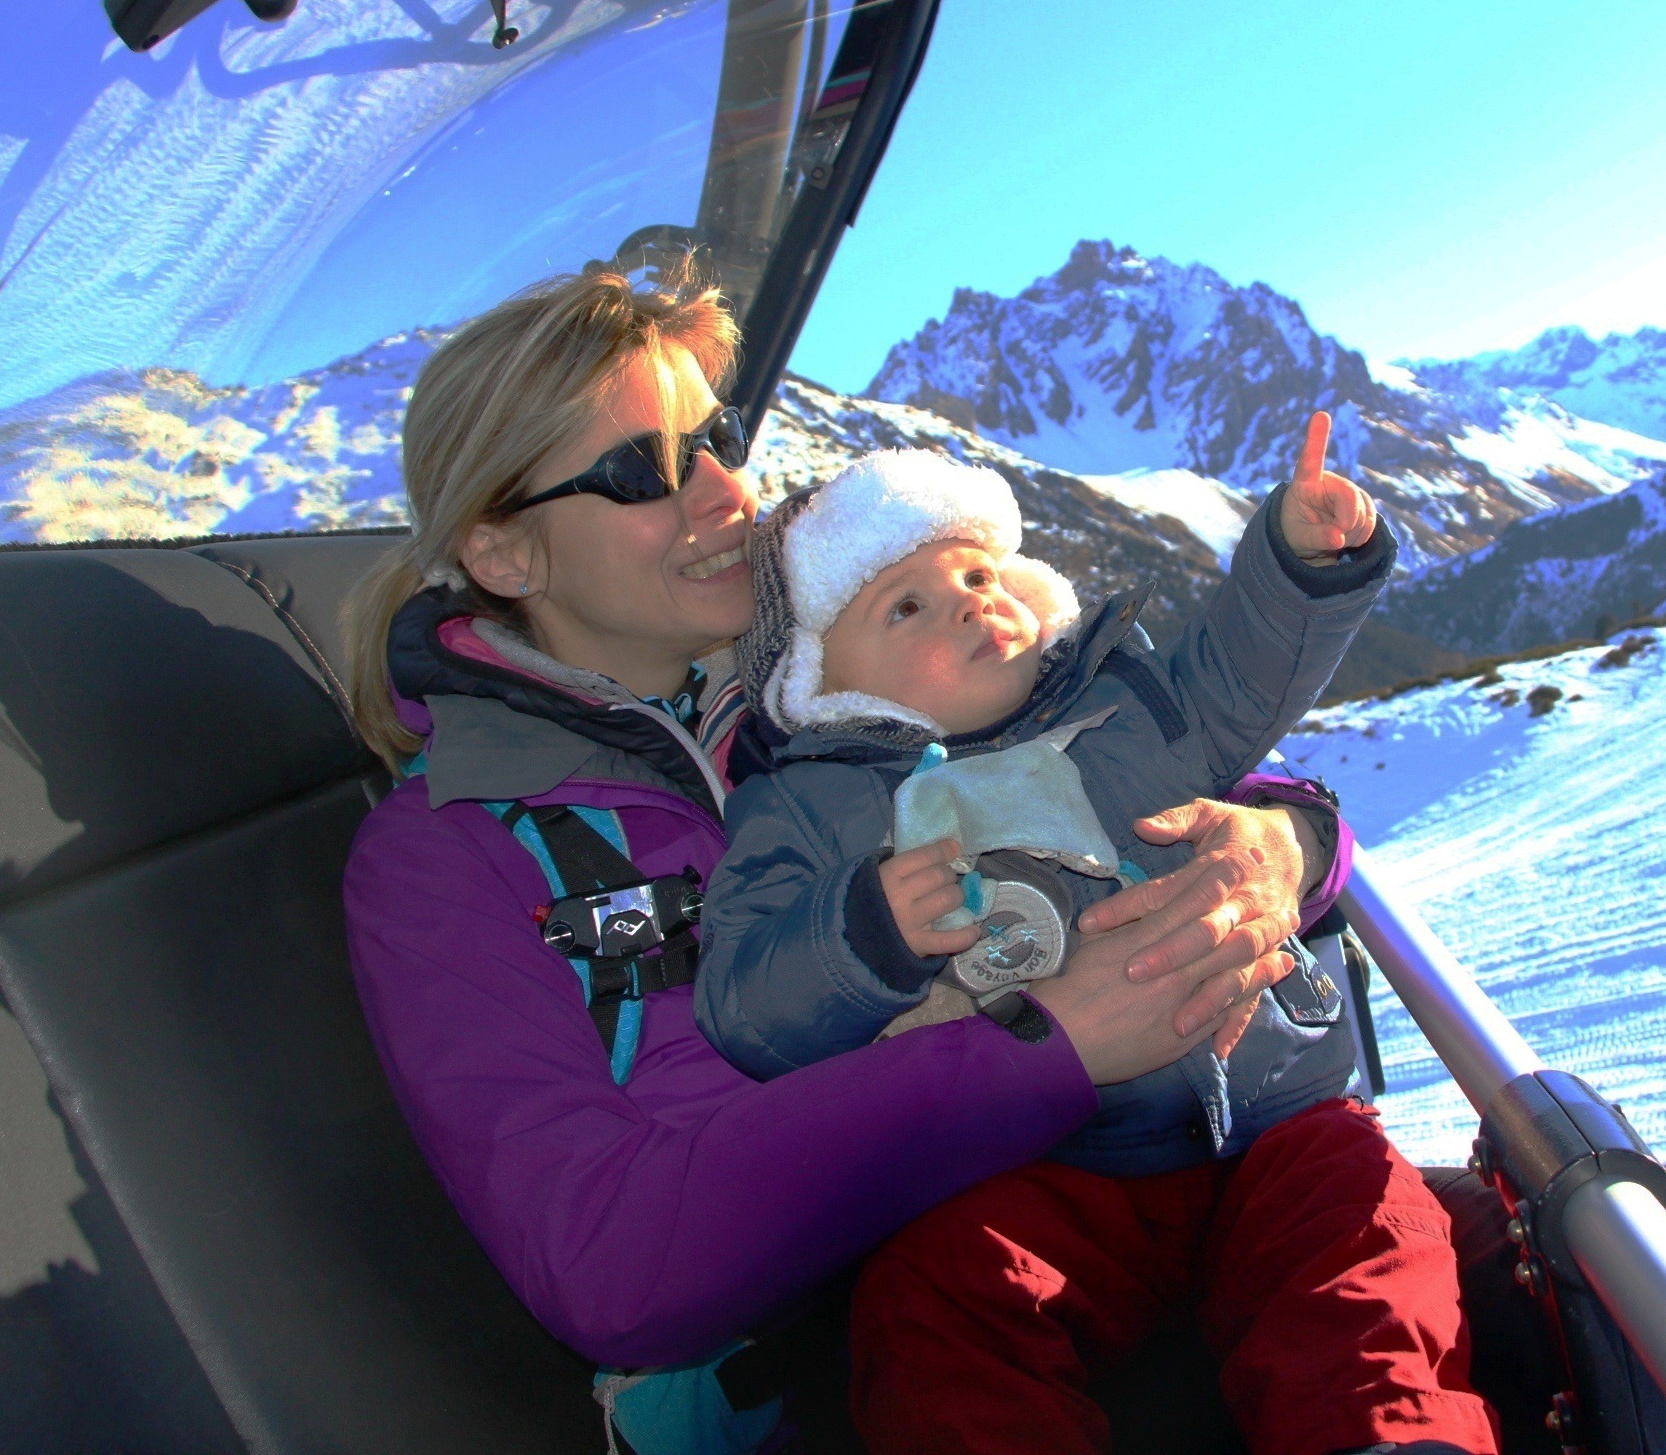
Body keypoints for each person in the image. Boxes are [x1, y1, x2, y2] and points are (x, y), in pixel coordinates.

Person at [338, 266, 1357, 1450]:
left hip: (1104, 1216)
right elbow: (607, 1262)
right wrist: (1043, 1053)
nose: (730, 490)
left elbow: (1113, 762)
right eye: (644, 470)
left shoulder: (822, 678)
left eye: (717, 437)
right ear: (506, 555)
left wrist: (1292, 842)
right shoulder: (446, 854)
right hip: (842, 1376)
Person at [696, 441, 1501, 1455]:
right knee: (939, 1298)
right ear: (822, 682)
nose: (968, 605)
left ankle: (1387, 1440)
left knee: (1368, 1246)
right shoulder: (815, 806)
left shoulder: (1125, 700)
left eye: (979, 575)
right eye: (905, 606)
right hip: (1047, 1165)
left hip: (1277, 1121)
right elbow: (741, 999)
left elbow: (1241, 673)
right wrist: (858, 932)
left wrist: (1298, 568)